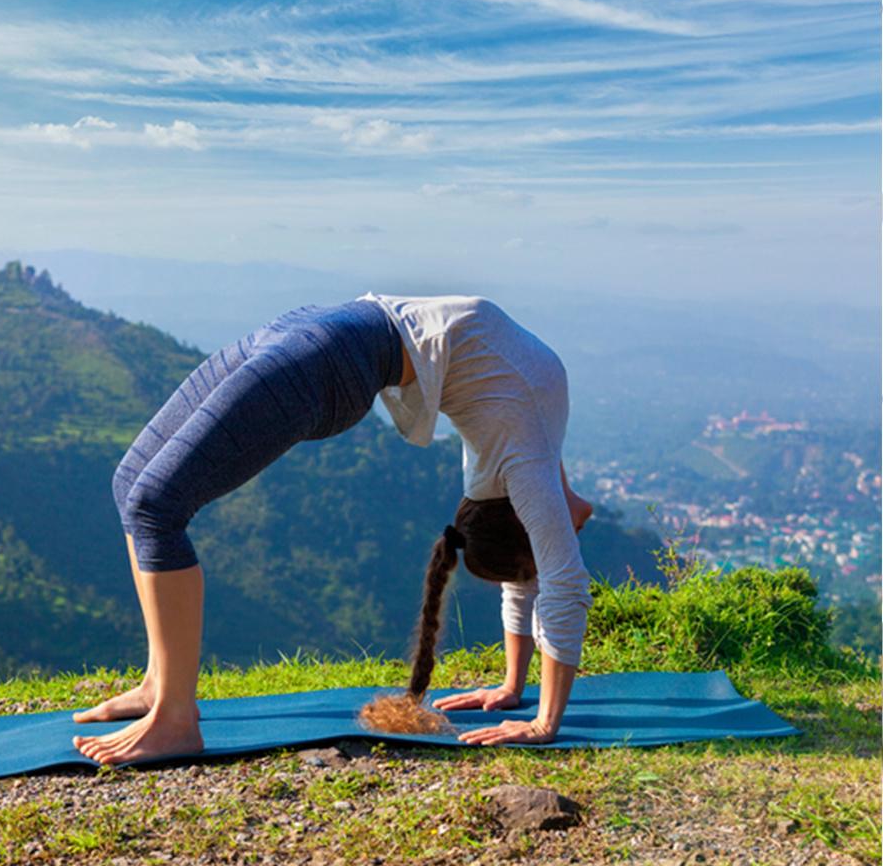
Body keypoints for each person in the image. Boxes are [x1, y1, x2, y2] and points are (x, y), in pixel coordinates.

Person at [73, 294, 594, 764]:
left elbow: (538, 565)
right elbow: (558, 577)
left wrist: (519, 691)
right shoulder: (523, 455)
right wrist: (537, 715)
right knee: (133, 487)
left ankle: (174, 715)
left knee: (153, 503)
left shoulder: (523, 443)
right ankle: (160, 687)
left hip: (327, 341)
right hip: (318, 341)